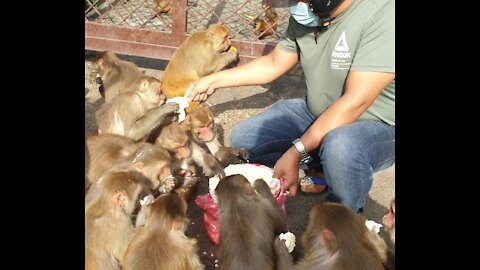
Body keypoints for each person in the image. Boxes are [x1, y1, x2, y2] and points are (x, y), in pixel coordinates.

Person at [187, 0, 395, 213]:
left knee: (342, 148)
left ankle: (345, 225)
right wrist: (212, 80)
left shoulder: (383, 12)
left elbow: (356, 102)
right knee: (246, 138)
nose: (295, 5)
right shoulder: (310, 13)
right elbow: (274, 63)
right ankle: (321, 167)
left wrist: (297, 150)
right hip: (317, 111)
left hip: (375, 124)